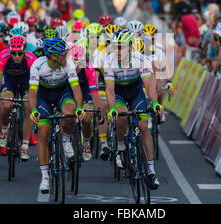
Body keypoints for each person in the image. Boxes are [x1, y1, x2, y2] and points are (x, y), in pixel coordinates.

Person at [103, 30, 163, 190]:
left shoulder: (140, 59)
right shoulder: (109, 61)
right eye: (115, 47)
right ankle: (121, 145)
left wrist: (155, 102)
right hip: (119, 94)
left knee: (143, 127)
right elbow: (109, 89)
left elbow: (149, 84)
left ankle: (151, 170)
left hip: (136, 93)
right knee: (121, 118)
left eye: (121, 47)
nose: (117, 51)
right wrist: (112, 108)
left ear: (130, 46)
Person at [29, 37, 85, 193]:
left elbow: (75, 88)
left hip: (62, 93)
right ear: (52, 55)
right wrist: (34, 110)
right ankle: (45, 178)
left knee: (69, 112)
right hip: (43, 97)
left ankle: (66, 138)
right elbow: (32, 92)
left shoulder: (68, 64)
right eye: (63, 54)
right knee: (43, 133)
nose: (66, 56)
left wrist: (79, 107)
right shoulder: (37, 65)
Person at [68, 43, 103, 161]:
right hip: (69, 90)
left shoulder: (88, 68)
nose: (77, 67)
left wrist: (98, 111)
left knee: (87, 117)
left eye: (79, 63)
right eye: (74, 63)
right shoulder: (65, 67)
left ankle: (86, 143)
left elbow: (94, 92)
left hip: (86, 90)